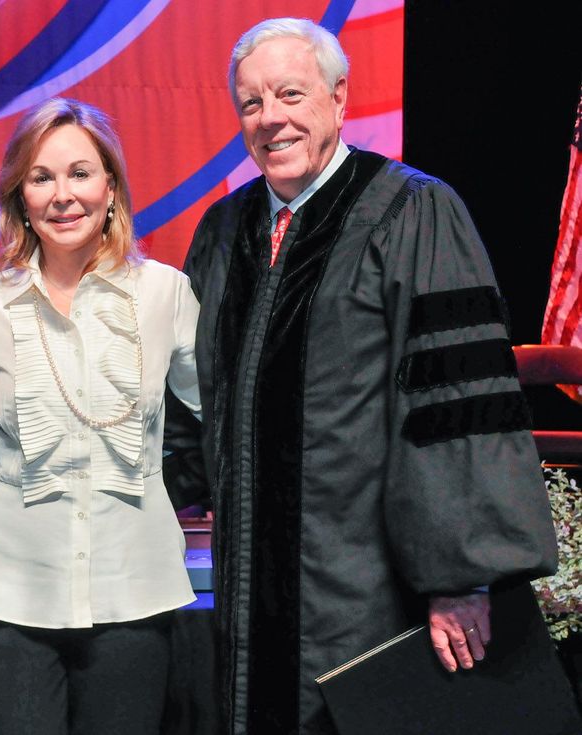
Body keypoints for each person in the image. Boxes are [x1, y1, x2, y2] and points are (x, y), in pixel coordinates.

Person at [164, 17, 559, 734]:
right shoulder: (223, 231)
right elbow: (194, 400)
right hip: (250, 588)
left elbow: (454, 403)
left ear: (339, 98)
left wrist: (459, 577)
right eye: (251, 103)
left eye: (290, 93)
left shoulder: (411, 211)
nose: (271, 118)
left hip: (366, 584)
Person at [0, 97, 201, 735]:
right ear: (20, 197)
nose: (62, 195)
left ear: (111, 188)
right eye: (41, 178)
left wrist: (175, 488)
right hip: (12, 592)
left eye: (80, 173)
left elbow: (222, 414)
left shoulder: (166, 294)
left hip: (136, 588)